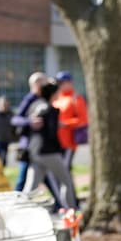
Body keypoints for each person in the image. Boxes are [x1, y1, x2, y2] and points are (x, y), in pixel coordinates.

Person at [25, 82, 76, 210]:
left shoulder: (35, 106)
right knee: (66, 182)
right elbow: (51, 132)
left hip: (35, 152)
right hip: (49, 152)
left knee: (30, 188)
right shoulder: (50, 109)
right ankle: (71, 212)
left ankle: (18, 210)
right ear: (53, 94)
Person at [11, 72, 50, 192]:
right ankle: (15, 203)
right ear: (35, 85)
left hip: (42, 146)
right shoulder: (29, 99)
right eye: (42, 84)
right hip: (28, 146)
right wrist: (30, 121)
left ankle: (61, 203)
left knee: (49, 177)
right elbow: (15, 119)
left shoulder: (46, 98)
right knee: (23, 179)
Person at [52, 71, 89, 175]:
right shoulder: (57, 98)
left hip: (68, 142)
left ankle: (69, 192)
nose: (59, 85)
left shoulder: (76, 99)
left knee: (65, 170)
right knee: (57, 172)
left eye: (62, 83)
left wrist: (65, 124)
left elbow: (83, 120)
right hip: (56, 141)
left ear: (69, 83)